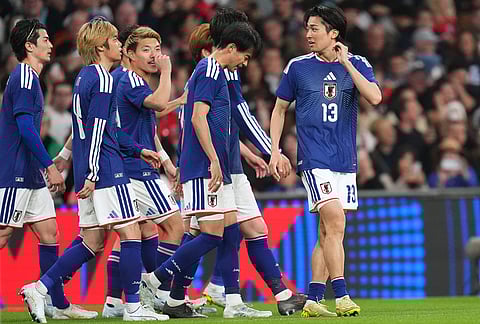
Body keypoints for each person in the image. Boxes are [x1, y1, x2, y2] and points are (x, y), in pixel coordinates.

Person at [19, 17, 166, 323]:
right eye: (114, 41)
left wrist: (139, 149)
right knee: (132, 233)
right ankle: (134, 307)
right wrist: (93, 173)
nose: (119, 46)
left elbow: (98, 128)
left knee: (93, 241)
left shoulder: (85, 77)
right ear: (102, 46)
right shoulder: (102, 79)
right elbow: (98, 129)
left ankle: (40, 288)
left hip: (94, 166)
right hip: (106, 169)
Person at [139, 22, 271, 319]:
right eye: (245, 56)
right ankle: (156, 279)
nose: (245, 63)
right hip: (203, 167)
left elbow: (211, 121)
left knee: (228, 231)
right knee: (211, 235)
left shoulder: (216, 73)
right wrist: (211, 159)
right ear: (232, 48)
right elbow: (198, 119)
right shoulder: (209, 71)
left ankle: (213, 302)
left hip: (214, 167)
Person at [269, 4, 382, 317]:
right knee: (335, 220)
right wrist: (275, 149)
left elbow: (374, 97)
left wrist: (345, 61)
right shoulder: (298, 67)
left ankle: (313, 300)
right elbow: (279, 109)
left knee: (328, 232)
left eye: (315, 28)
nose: (308, 34)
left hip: (344, 160)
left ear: (334, 33)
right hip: (314, 156)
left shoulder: (357, 63)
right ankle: (342, 295)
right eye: (307, 28)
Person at [202, 8, 307, 316]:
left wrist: (251, 153)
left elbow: (231, 120)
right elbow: (233, 115)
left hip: (231, 162)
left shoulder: (225, 69)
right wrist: (271, 150)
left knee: (252, 228)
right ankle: (165, 287)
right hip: (211, 166)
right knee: (202, 233)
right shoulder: (212, 69)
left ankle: (278, 292)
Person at [0, 18, 96, 320]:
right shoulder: (25, 78)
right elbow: (27, 130)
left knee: (50, 233)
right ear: (29, 46)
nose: (50, 44)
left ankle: (57, 304)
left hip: (29, 174)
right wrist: (50, 167)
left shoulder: (31, 78)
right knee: (3, 234)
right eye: (44, 39)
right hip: (15, 172)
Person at [113, 25, 187, 315]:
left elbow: (150, 115)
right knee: (175, 226)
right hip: (136, 168)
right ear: (130, 54)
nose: (155, 56)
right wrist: (167, 72)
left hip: (132, 164)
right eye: (146, 50)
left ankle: (119, 299)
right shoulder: (131, 79)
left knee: (136, 232)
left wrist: (167, 162)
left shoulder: (129, 80)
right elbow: (156, 103)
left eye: (157, 50)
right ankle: (153, 287)